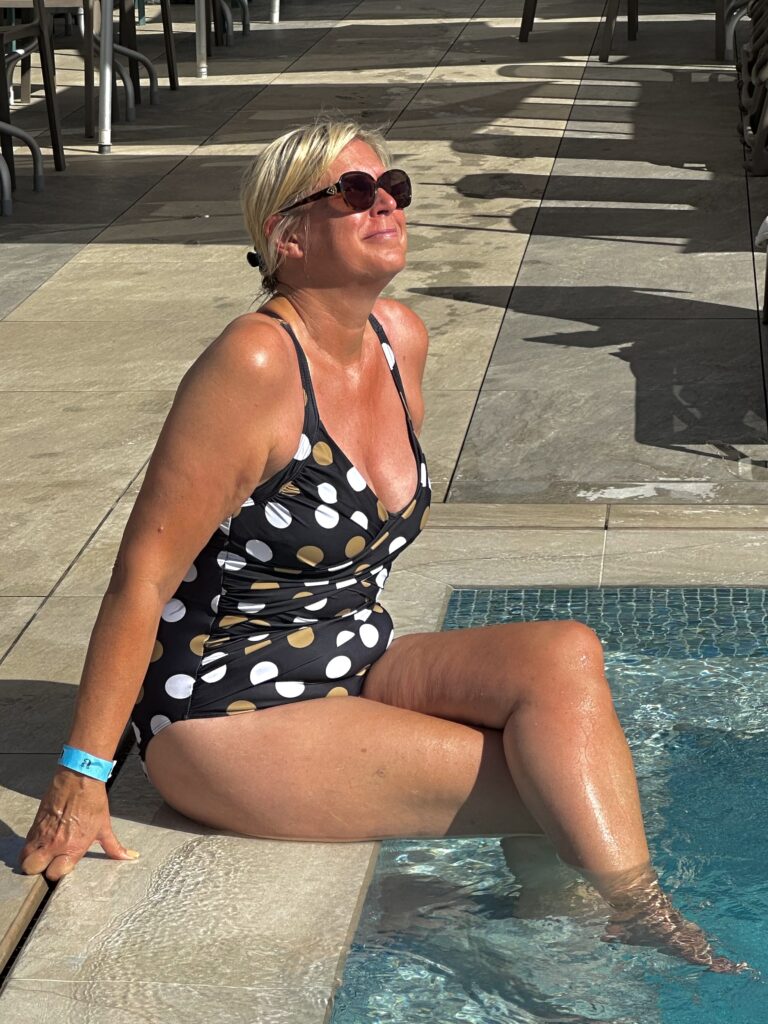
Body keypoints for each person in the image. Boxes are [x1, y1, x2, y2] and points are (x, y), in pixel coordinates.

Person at [19, 119, 742, 973]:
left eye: (392, 186)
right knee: (552, 790)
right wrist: (80, 775)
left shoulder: (401, 340)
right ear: (287, 237)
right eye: (355, 192)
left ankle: (579, 919)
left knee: (565, 654)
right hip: (229, 702)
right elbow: (141, 577)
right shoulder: (253, 364)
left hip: (356, 654)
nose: (385, 204)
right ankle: (630, 924)